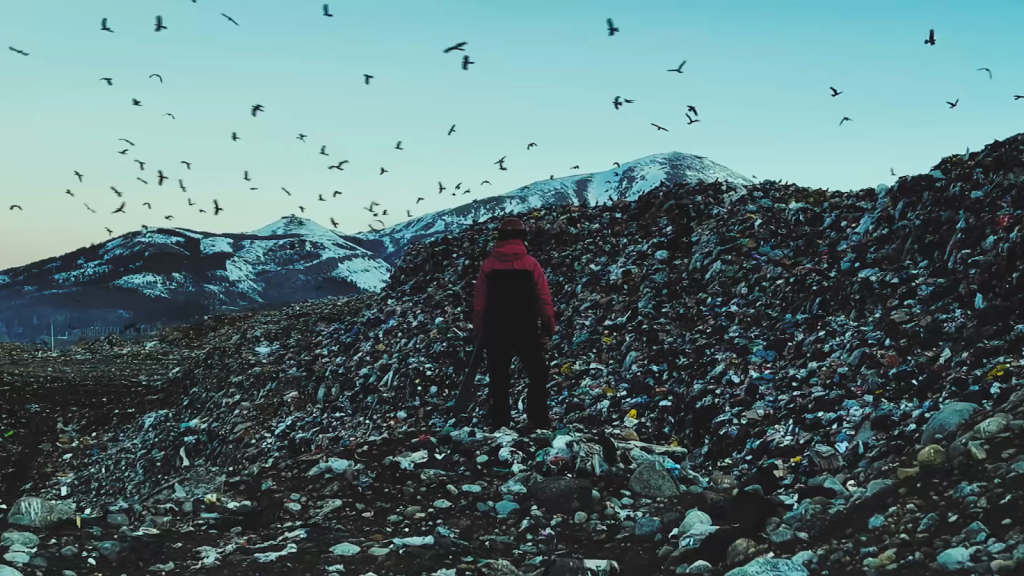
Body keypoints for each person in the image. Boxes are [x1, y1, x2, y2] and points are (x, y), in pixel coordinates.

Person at [471, 217, 556, 431]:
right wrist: (548, 326)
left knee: (499, 378)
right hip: (525, 328)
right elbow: (544, 299)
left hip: (496, 330)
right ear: (522, 237)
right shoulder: (530, 264)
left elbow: (479, 304)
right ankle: (537, 419)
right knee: (537, 373)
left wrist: (479, 331)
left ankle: (500, 423)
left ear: (499, 237)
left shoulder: (488, 266)